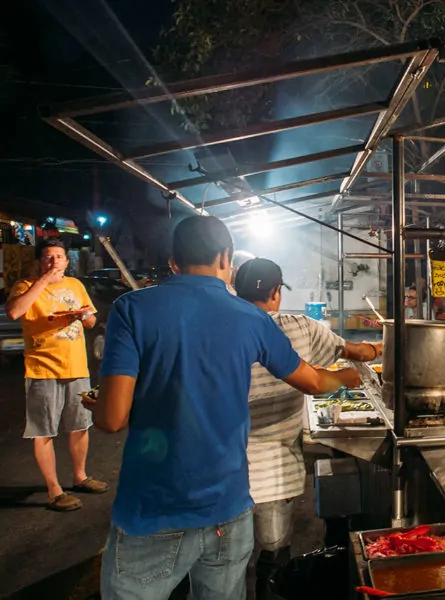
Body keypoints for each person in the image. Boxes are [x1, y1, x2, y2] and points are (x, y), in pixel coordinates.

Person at [85, 216, 356, 600]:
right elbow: (313, 381)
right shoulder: (252, 318)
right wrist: (347, 377)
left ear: (173, 260)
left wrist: (100, 403)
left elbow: (111, 419)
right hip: (228, 507)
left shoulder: (132, 309)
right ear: (226, 258)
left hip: (153, 508)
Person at [233, 258, 378, 594]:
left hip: (221, 469)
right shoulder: (296, 326)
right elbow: (347, 355)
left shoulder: (218, 331)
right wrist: (374, 351)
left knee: (225, 563)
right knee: (273, 557)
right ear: (275, 292)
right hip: (274, 470)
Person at [4, 239, 107, 511]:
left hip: (76, 368)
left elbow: (92, 321)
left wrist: (82, 316)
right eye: (48, 257)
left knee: (80, 426)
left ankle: (80, 476)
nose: (54, 262)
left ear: (66, 260)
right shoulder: (25, 286)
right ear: (40, 261)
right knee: (44, 432)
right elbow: (14, 312)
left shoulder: (75, 285)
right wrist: (43, 281)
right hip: (42, 370)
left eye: (59, 257)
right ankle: (54, 490)